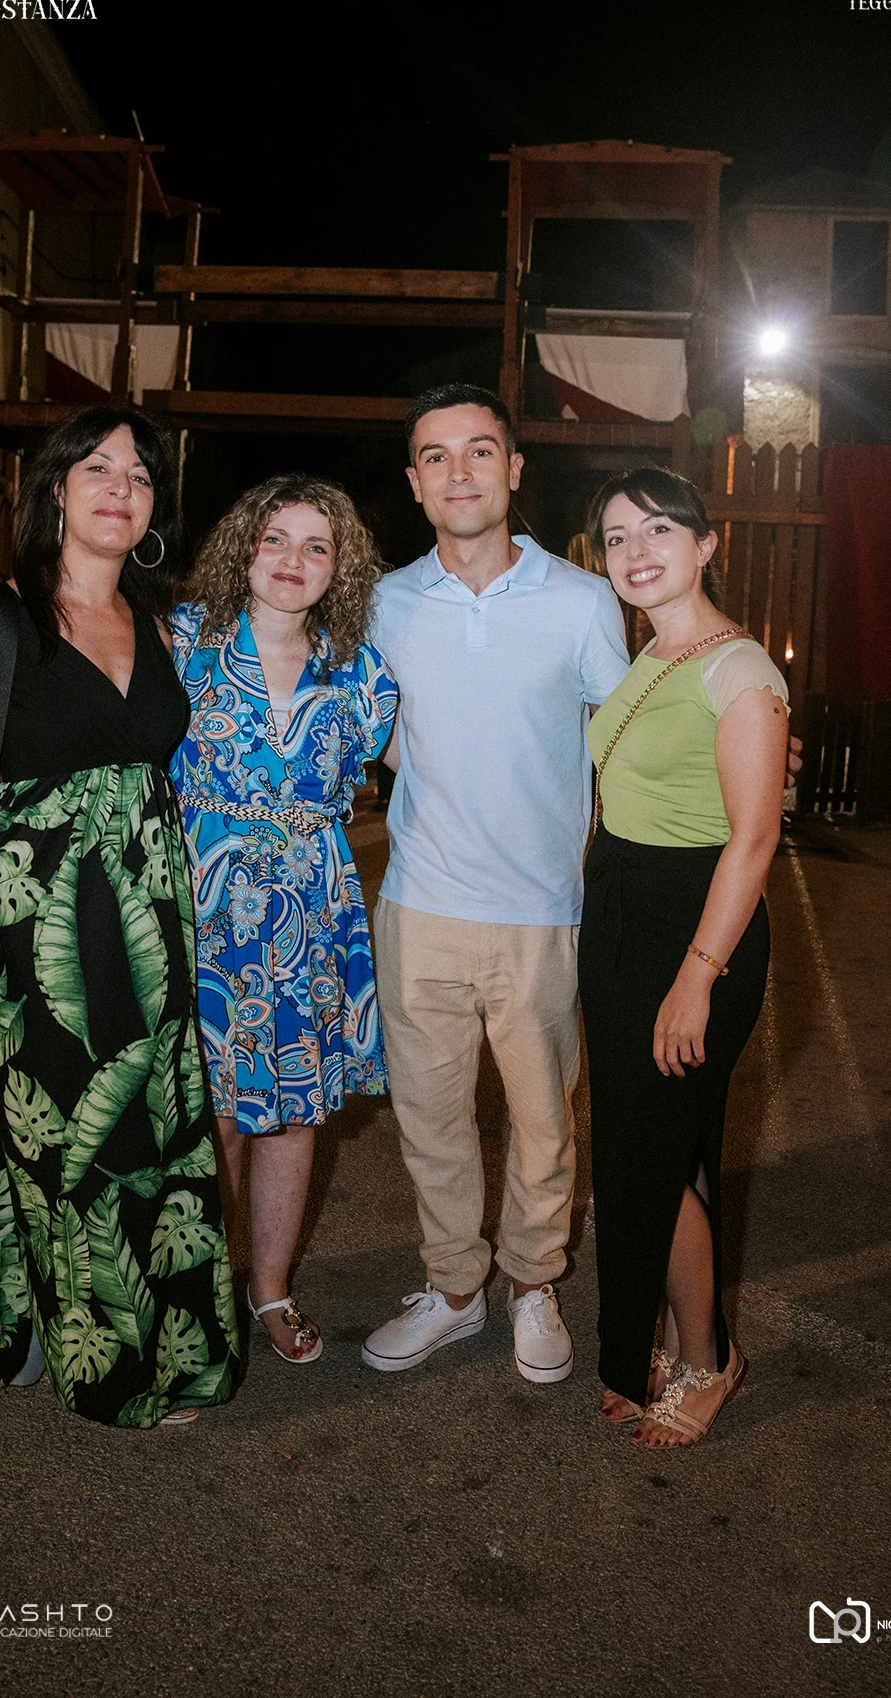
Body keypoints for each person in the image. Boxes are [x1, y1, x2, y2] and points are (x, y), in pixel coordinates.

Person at [0, 407, 239, 1429]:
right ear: (56, 489)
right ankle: (110, 1364)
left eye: (139, 476)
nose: (120, 489)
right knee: (68, 1135)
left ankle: (135, 1330)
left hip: (152, 918)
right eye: (98, 468)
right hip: (40, 919)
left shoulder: (160, 621)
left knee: (158, 1124)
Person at [360, 383, 632, 1385]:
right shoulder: (385, 604)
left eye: (480, 450)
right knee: (430, 1121)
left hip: (539, 914)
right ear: (414, 483)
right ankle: (453, 1288)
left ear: (514, 469)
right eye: (436, 456)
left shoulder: (581, 600)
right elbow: (376, 735)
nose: (459, 471)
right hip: (419, 906)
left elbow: (624, 736)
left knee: (544, 1124)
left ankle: (532, 1282)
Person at [579, 467, 789, 1447]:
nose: (637, 551)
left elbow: (754, 839)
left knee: (652, 1157)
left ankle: (709, 1358)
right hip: (623, 917)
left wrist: (698, 977)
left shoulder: (740, 669)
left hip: (694, 927)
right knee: (642, 1147)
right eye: (617, 537)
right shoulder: (652, 655)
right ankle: (656, 1336)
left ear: (706, 545)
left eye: (659, 529)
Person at [169, 474, 396, 1364]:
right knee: (213, 1115)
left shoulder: (361, 674)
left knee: (294, 1117)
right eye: (275, 539)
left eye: (316, 546)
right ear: (243, 549)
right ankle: (202, 1293)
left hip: (311, 912)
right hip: (203, 911)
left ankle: (270, 1289)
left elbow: (438, 765)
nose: (293, 560)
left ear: (341, 569)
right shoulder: (184, 643)